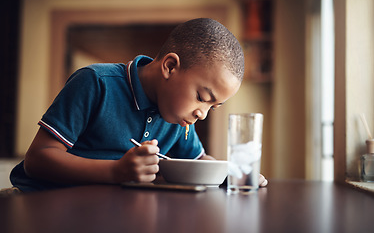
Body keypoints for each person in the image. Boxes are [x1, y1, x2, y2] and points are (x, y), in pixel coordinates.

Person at [8, 18, 268, 193]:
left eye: (214, 107)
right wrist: (117, 171)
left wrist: (233, 174)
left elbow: (199, 161)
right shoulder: (96, 82)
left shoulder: (177, 117)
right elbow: (36, 160)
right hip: (46, 204)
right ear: (170, 67)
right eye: (202, 97)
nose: (201, 114)